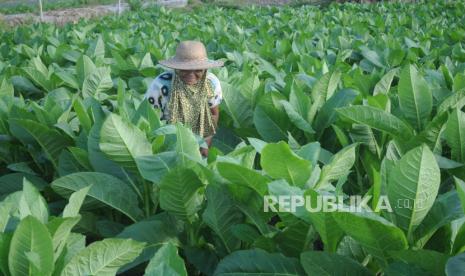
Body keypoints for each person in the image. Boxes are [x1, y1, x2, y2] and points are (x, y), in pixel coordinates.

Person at [144, 41, 224, 157]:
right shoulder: (161, 85)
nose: (191, 75)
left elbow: (213, 113)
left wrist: (206, 142)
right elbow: (149, 119)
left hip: (199, 137)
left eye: (198, 70)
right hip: (167, 138)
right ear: (176, 68)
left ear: (205, 69)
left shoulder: (211, 83)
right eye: (184, 69)